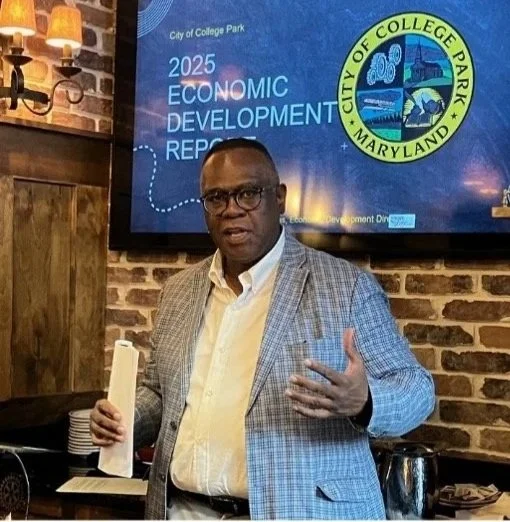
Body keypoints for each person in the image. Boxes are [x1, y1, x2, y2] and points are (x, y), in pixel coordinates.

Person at [90, 138, 435, 520]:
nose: (231, 209)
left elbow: (417, 390)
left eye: (248, 193)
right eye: (216, 197)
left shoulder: (345, 287)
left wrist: (365, 401)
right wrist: (125, 420)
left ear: (279, 198)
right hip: (182, 511)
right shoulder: (178, 292)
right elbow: (160, 391)